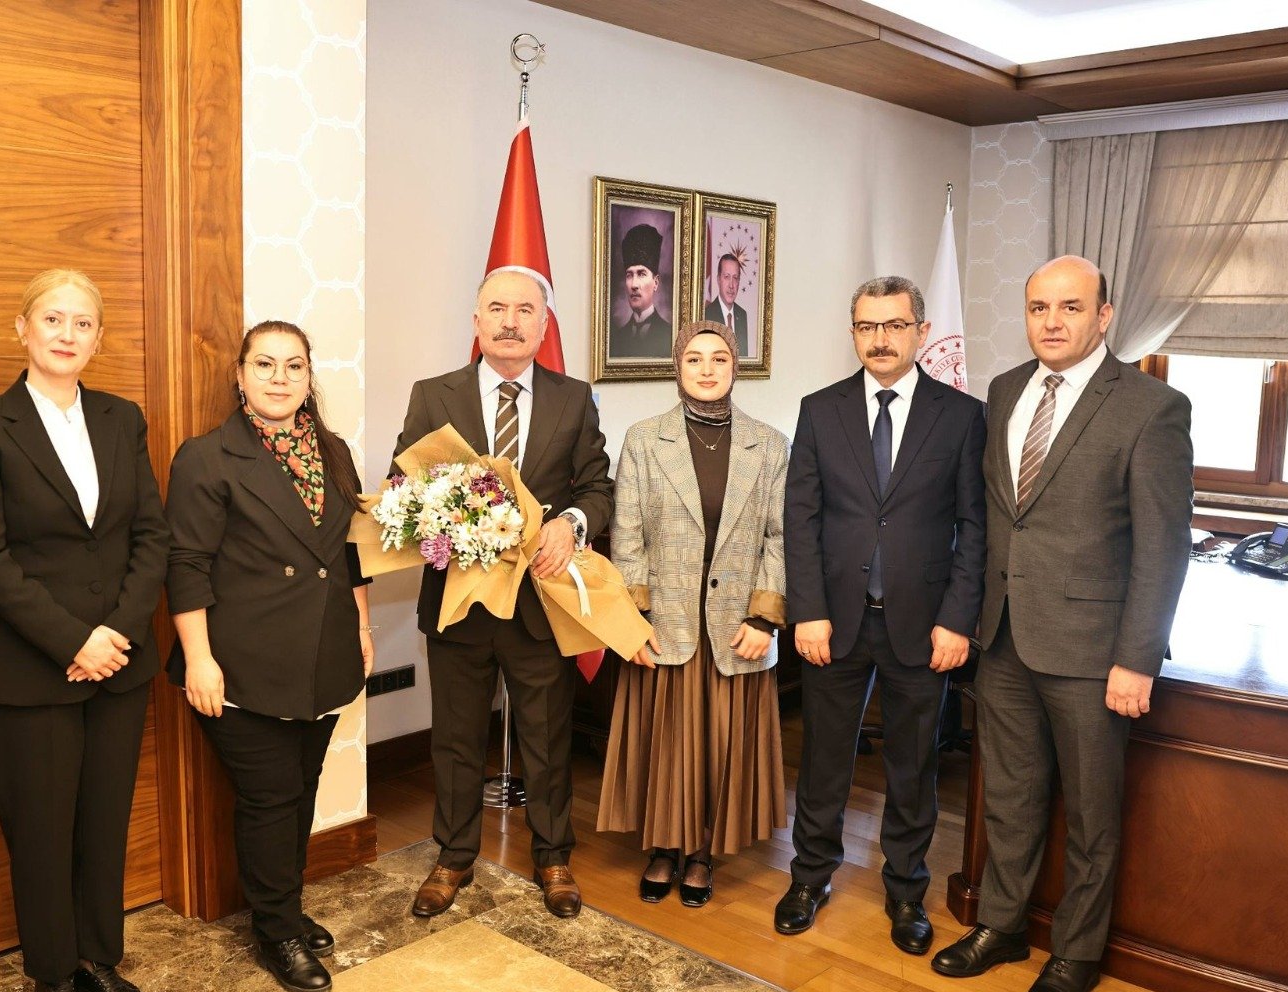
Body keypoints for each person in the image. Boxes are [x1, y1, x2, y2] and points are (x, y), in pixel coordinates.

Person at [931, 256, 1193, 992]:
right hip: (1004, 639)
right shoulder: (1006, 390)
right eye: (1039, 306)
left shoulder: (1152, 406)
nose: (1052, 321)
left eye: (1071, 307)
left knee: (1090, 813)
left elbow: (1163, 544)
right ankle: (1003, 928)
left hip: (1092, 650)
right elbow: (994, 518)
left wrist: (1137, 656)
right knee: (1010, 800)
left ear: (1104, 315)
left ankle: (1076, 952)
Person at [0, 269, 168, 992]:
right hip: (29, 669)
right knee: (41, 828)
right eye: (53, 319)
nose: (68, 334)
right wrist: (74, 640)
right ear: (23, 329)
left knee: (102, 822)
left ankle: (99, 957)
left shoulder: (122, 418)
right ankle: (52, 972)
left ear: (98, 339)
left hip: (120, 662)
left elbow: (151, 536)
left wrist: (117, 633)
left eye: (83, 323)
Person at [392, 267, 614, 920]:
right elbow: (403, 483)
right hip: (457, 601)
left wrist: (571, 526)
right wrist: (449, 513)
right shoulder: (434, 395)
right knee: (457, 738)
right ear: (477, 322)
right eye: (497, 308)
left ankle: (553, 857)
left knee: (548, 736)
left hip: (538, 602)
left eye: (525, 309)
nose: (510, 320)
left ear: (545, 325)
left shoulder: (574, 399)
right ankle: (453, 856)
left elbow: (598, 488)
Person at [778, 276, 987, 955]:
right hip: (833, 622)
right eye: (868, 326)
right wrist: (806, 611)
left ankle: (905, 888)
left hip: (922, 625)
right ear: (853, 332)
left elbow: (973, 526)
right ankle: (810, 876)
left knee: (912, 765)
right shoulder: (820, 410)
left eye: (895, 325)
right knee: (824, 760)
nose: (881, 338)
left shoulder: (960, 416)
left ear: (922, 332)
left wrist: (957, 619)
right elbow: (800, 519)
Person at [164, 321, 373, 992]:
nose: (279, 377)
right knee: (269, 795)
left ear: (310, 376)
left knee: (301, 786)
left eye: (293, 365)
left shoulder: (333, 450)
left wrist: (364, 630)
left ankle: (282, 905)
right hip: (240, 660)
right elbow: (186, 565)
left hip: (324, 649)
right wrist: (198, 658)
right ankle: (277, 929)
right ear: (241, 374)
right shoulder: (208, 457)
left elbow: (350, 551)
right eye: (265, 364)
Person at [598, 320, 788, 908]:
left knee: (719, 745)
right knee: (666, 743)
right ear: (676, 369)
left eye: (720, 358)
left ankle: (703, 853)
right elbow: (626, 537)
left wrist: (764, 618)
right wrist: (634, 619)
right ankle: (661, 848)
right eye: (694, 360)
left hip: (736, 628)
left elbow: (780, 539)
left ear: (737, 368)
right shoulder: (643, 439)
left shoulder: (770, 444)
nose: (707, 369)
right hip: (666, 626)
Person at [611, 222, 671, 358]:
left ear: (655, 282)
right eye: (629, 275)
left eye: (641, 274)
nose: (634, 284)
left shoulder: (670, 334)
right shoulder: (616, 339)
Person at [702, 253, 751, 360]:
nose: (731, 285)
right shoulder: (706, 315)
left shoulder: (742, 315)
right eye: (727, 277)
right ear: (718, 279)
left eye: (735, 278)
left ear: (739, 282)